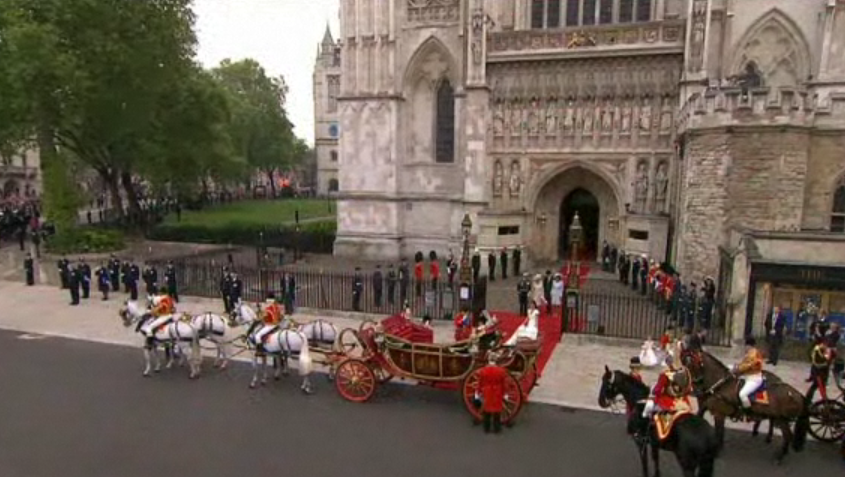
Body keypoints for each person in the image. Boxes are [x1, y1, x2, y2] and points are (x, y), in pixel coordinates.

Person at [643, 350, 692, 419]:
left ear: (668, 363)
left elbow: (657, 391)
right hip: (683, 402)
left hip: (668, 402)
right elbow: (689, 389)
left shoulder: (665, 374)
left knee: (648, 408)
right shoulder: (685, 373)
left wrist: (654, 390)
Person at [475, 353, 509, 434]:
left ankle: (487, 428)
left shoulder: (483, 371)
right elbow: (504, 384)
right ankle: (497, 429)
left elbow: (480, 383)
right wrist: (505, 393)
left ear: (488, 360)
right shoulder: (501, 371)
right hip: (497, 392)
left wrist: (477, 392)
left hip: (487, 392)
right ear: (496, 360)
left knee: (487, 411)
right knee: (497, 412)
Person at [733, 337, 764, 415]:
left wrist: (736, 369)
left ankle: (749, 412)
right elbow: (743, 364)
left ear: (748, 345)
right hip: (747, 376)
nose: (744, 347)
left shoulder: (753, 354)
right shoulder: (750, 353)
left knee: (742, 394)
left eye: (745, 346)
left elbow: (747, 366)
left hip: (754, 379)